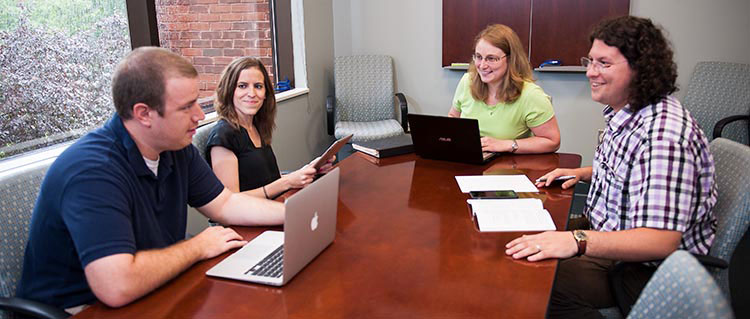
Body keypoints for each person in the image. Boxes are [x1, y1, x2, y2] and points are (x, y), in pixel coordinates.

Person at [16, 47, 285, 312]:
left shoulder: (176, 147)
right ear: (143, 113)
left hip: (149, 289)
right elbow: (116, 286)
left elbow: (225, 204)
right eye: (186, 107)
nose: (200, 116)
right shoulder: (91, 171)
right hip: (80, 308)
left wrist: (291, 214)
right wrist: (198, 246)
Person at [505, 16, 717, 318]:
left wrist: (576, 240)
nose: (591, 72)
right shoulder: (631, 112)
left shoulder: (664, 135)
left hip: (645, 269)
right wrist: (583, 172)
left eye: (604, 63)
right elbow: (636, 172)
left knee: (538, 281)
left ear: (640, 68)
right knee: (524, 236)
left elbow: (660, 241)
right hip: (612, 234)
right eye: (590, 61)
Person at [205, 57, 333, 199]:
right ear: (229, 90)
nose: (252, 93)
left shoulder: (256, 126)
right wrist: (287, 182)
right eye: (242, 86)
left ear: (266, 93)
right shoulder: (223, 135)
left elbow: (268, 180)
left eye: (258, 86)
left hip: (272, 206)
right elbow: (229, 202)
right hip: (249, 218)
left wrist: (308, 171)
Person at [449, 24, 560, 154]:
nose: (482, 65)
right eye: (478, 57)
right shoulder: (467, 81)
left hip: (510, 167)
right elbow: (453, 117)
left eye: (491, 58)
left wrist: (508, 145)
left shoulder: (531, 95)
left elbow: (552, 141)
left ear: (511, 59)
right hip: (468, 162)